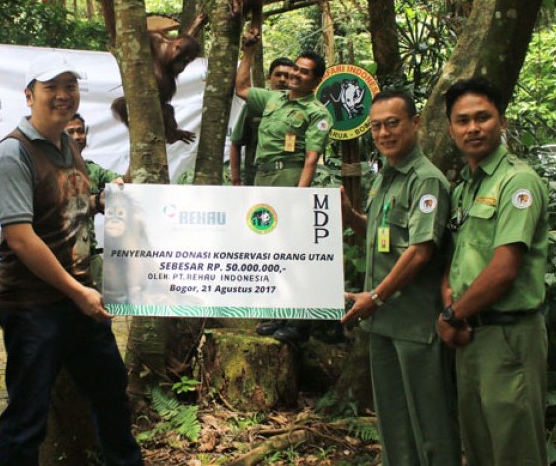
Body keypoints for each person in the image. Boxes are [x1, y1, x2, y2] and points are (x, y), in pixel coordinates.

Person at [0, 53, 142, 465]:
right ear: (29, 95)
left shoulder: (68, 146)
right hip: (34, 307)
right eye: (50, 87)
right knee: (27, 416)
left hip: (78, 301)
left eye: (69, 86)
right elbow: (21, 238)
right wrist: (78, 291)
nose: (62, 95)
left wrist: (98, 201)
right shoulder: (13, 153)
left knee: (112, 396)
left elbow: (63, 210)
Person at [340, 90, 460, 465]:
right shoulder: (385, 177)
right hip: (383, 323)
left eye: (393, 123)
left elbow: (421, 251)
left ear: (415, 123)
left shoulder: (426, 181)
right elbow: (384, 238)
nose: (384, 133)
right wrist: (351, 218)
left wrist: (374, 297)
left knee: (430, 425)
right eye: (376, 126)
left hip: (415, 324)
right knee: (393, 424)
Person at [437, 77, 548, 465]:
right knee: (482, 449)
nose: (473, 128)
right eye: (462, 120)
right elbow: (458, 256)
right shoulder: (465, 187)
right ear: (450, 128)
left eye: (483, 117)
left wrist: (452, 314)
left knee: (515, 450)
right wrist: (450, 298)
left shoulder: (517, 182)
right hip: (471, 338)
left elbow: (504, 268)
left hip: (509, 336)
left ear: (501, 122)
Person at [235, 39, 333, 342]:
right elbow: (240, 88)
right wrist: (248, 52)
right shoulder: (273, 100)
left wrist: (299, 196)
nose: (296, 75)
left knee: (294, 250)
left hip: (289, 178)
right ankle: (277, 312)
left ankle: (299, 321)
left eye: (305, 73)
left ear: (316, 81)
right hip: (263, 178)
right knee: (271, 248)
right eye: (296, 69)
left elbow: (311, 158)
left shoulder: (317, 113)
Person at [65, 113, 122, 290]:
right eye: (71, 131)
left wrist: (119, 183)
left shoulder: (92, 169)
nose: (76, 136)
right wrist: (96, 201)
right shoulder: (48, 167)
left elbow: (122, 180)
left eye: (80, 131)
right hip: (58, 258)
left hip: (90, 256)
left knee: (100, 312)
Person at [229, 56, 295, 186]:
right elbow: (236, 143)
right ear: (269, 77)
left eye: (287, 76)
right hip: (254, 177)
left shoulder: (302, 107)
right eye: (278, 75)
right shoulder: (254, 104)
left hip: (289, 177)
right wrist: (236, 178)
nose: (282, 79)